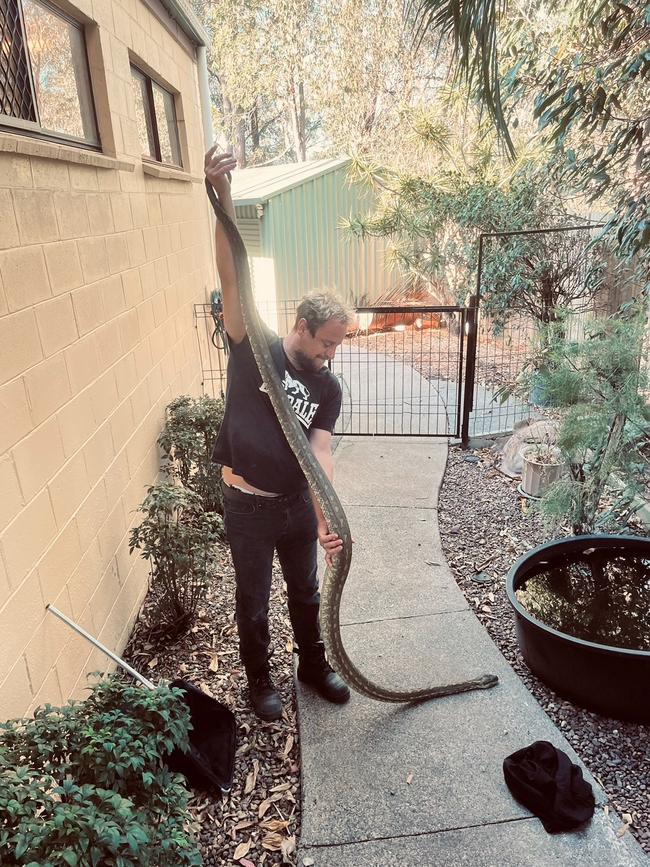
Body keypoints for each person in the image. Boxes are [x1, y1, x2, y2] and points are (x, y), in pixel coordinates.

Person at [204, 147, 352, 721]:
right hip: (246, 504)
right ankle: (260, 680)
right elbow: (230, 274)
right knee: (252, 601)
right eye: (327, 342)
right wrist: (223, 197)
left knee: (306, 593)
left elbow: (320, 450)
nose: (330, 354)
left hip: (293, 506)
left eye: (337, 345)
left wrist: (325, 515)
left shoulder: (328, 387)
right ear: (301, 326)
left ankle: (314, 668)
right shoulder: (253, 347)